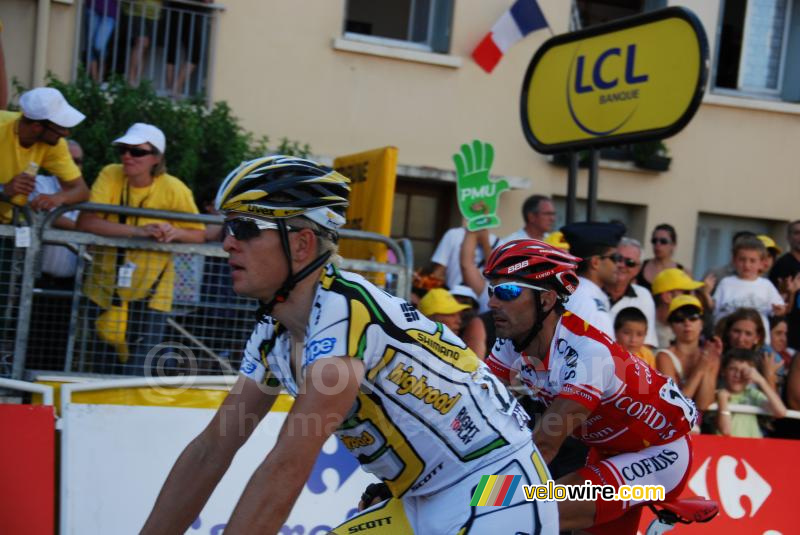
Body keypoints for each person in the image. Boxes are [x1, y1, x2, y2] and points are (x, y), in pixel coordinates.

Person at [141, 156, 558, 535]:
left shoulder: (346, 312)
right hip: (418, 500)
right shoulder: (274, 331)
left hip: (497, 490)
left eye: (246, 227)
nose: (228, 242)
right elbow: (212, 449)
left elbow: (287, 465)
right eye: (227, 227)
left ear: (302, 243)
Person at [482, 239, 696, 533]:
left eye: (507, 291)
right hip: (609, 452)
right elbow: (476, 406)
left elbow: (544, 445)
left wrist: (483, 497)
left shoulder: (588, 354)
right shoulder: (509, 344)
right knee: (512, 502)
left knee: (529, 510)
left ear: (545, 300)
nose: (492, 302)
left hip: (660, 457)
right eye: (492, 290)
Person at [77, 123, 205, 375]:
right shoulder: (110, 174)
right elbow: (87, 222)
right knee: (99, 371)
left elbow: (199, 234)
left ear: (156, 158)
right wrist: (139, 232)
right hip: (104, 290)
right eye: (124, 149)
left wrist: (174, 231)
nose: (127, 156)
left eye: (137, 152)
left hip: (151, 295)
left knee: (138, 372)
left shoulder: (174, 188)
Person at [26, 139, 84, 370]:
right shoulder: (42, 183)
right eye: (70, 160)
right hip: (36, 280)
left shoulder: (87, 193)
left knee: (60, 345)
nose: (75, 166)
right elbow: (40, 214)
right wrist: (84, 230)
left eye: (79, 161)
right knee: (30, 341)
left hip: (71, 283)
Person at [0, 87, 90, 222]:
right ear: (37, 126)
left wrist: (57, 198)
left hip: (9, 224)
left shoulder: (55, 144)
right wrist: (3, 189)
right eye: (62, 127)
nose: (66, 133)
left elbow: (82, 190)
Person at [712, 235, 785, 344]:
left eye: (752, 261)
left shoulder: (766, 285)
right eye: (742, 260)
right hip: (727, 341)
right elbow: (714, 307)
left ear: (761, 263)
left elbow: (780, 309)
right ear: (734, 260)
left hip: (757, 343)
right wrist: (704, 293)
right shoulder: (726, 283)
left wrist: (779, 309)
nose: (747, 265)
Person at [655, 295, 721, 411]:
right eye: (679, 319)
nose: (687, 323)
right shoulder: (664, 356)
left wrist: (708, 363)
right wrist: (701, 368)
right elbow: (676, 404)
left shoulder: (710, 354)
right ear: (671, 326)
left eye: (693, 317)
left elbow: (703, 404)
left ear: (702, 323)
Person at [560, 221, 625, 337]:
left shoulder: (573, 292)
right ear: (595, 262)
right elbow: (599, 354)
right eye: (615, 258)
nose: (619, 264)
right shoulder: (590, 304)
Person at [716, 348, 786, 438]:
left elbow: (781, 412)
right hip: (726, 450)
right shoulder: (717, 394)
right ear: (723, 371)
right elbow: (726, 430)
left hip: (753, 449)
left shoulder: (752, 394)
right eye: (732, 369)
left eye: (744, 371)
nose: (738, 375)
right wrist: (722, 400)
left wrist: (761, 381)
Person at [606, 237, 658, 348]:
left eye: (629, 262)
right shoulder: (590, 289)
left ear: (638, 269)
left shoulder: (643, 296)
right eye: (618, 258)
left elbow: (646, 344)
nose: (621, 265)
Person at [716, 307, 781, 392]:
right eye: (736, 331)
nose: (740, 339)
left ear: (757, 338)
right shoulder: (717, 354)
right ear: (728, 332)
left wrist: (769, 376)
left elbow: (775, 403)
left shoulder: (767, 360)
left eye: (748, 334)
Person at [164, 0, 212, 97]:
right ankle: (171, 90)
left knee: (194, 54)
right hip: (177, 11)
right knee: (172, 51)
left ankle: (174, 89)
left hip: (188, 14)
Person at [650, 268, 706, 348]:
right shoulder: (643, 328)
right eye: (687, 292)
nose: (693, 297)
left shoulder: (691, 326)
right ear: (667, 297)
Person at [770, 220, 800, 350]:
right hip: (792, 335)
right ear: (788, 237)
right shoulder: (782, 265)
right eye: (797, 233)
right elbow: (778, 304)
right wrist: (789, 292)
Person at [636, 224, 684, 292]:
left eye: (663, 241)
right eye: (654, 241)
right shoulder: (639, 267)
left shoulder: (683, 273)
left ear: (673, 245)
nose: (657, 244)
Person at [450, 284, 488, 358]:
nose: (460, 311)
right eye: (454, 304)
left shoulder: (479, 325)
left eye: (465, 306)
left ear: (475, 309)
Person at [86, 0, 119, 82]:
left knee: (99, 45)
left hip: (110, 11)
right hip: (92, 6)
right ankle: (94, 79)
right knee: (91, 44)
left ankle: (101, 76)